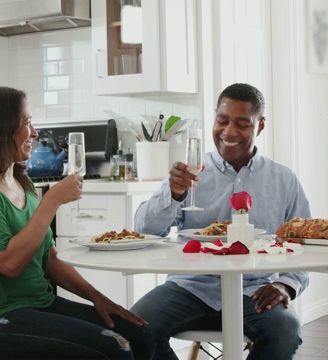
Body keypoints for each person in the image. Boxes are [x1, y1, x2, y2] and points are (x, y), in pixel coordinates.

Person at [0, 86, 155, 359]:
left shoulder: (22, 181)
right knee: (115, 348)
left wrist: (97, 297)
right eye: (27, 122)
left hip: (38, 304)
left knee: (140, 336)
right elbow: (9, 265)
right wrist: (51, 201)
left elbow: (49, 260)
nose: (35, 132)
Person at [131, 83, 311, 360]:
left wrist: (284, 285)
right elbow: (144, 230)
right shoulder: (189, 175)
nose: (229, 132)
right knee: (135, 329)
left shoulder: (284, 180)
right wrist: (174, 193)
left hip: (255, 290)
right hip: (190, 286)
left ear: (260, 126)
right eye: (222, 121)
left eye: (242, 124)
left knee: (285, 332)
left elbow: (304, 246)